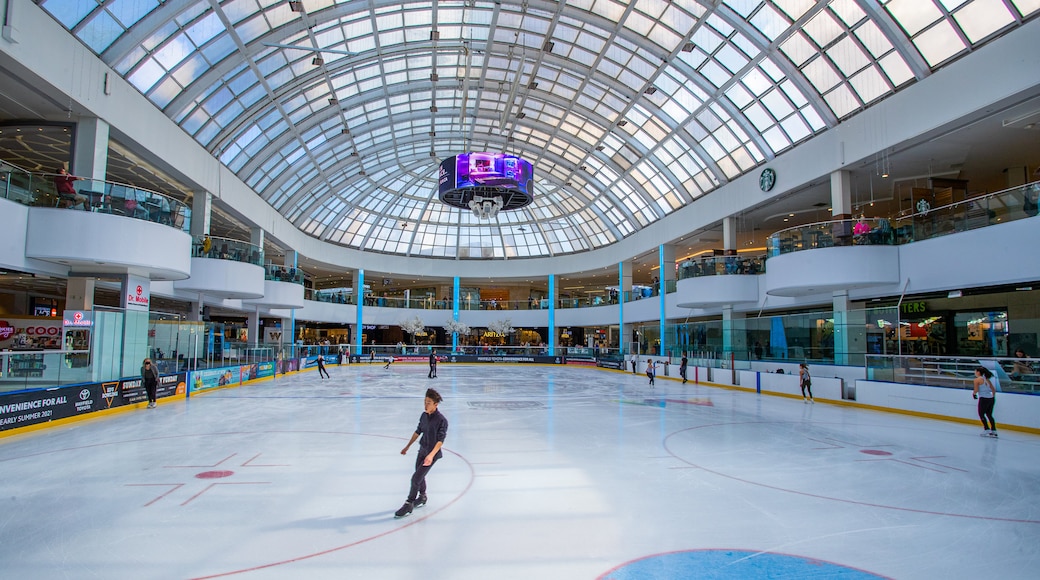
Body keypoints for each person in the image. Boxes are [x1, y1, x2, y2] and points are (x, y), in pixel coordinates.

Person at [395, 388, 448, 518]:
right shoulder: (424, 416)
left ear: (436, 404)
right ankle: (423, 496)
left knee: (415, 478)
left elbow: (440, 441)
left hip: (432, 454)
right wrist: (407, 446)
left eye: (429, 402)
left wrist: (431, 455)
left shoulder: (442, 420)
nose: (426, 405)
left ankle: (409, 503)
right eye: (425, 401)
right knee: (419, 475)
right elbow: (418, 431)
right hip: (422, 450)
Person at [973, 366, 998, 437]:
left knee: (981, 414)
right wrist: (992, 397)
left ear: (978, 372)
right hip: (990, 398)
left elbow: (976, 390)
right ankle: (994, 430)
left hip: (983, 398)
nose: (975, 373)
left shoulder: (977, 380)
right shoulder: (987, 379)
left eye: (975, 371)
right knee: (989, 414)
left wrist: (974, 394)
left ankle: (986, 428)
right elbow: (993, 390)